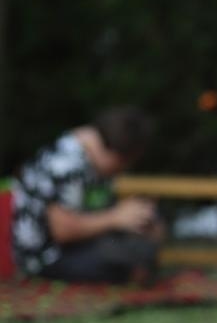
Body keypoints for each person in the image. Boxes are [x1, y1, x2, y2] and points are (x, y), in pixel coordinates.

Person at [10, 106, 161, 284]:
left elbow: (97, 213)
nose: (124, 170)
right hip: (46, 258)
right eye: (126, 163)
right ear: (118, 156)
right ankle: (133, 276)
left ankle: (134, 272)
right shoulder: (66, 164)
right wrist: (116, 217)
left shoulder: (97, 160)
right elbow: (63, 231)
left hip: (83, 245)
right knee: (122, 257)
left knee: (138, 243)